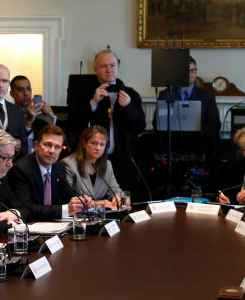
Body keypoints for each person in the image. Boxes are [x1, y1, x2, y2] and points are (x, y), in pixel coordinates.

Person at [67, 49, 145, 192]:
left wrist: (128, 107)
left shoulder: (132, 94)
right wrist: (93, 103)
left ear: (118, 67)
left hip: (123, 158)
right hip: (93, 159)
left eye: (112, 65)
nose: (109, 69)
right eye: (104, 66)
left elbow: (139, 127)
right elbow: (73, 124)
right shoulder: (82, 93)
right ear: (95, 69)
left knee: (122, 198)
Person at [8, 124, 92, 220]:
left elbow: (67, 192)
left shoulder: (59, 167)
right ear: (36, 145)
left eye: (57, 147)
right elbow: (26, 208)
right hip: (30, 226)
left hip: (53, 226)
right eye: (48, 145)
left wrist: (81, 200)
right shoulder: (21, 169)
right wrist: (65, 209)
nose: (52, 151)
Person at [60, 125, 124, 207]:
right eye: (94, 143)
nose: (98, 148)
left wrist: (118, 198)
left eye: (102, 144)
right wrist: (97, 203)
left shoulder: (107, 165)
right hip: (77, 217)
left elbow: (116, 191)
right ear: (84, 143)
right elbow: (67, 197)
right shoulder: (68, 164)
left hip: (102, 216)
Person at [155, 57, 219, 134]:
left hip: (199, 141)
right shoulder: (165, 94)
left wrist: (198, 132)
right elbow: (156, 123)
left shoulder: (208, 96)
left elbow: (215, 125)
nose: (189, 74)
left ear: (196, 72)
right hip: (173, 141)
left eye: (192, 71)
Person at [10, 75, 57, 153]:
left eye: (28, 89)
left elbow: (52, 138)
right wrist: (28, 123)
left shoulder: (39, 113)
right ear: (12, 93)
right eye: (21, 90)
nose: (26, 93)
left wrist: (51, 116)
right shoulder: (9, 113)